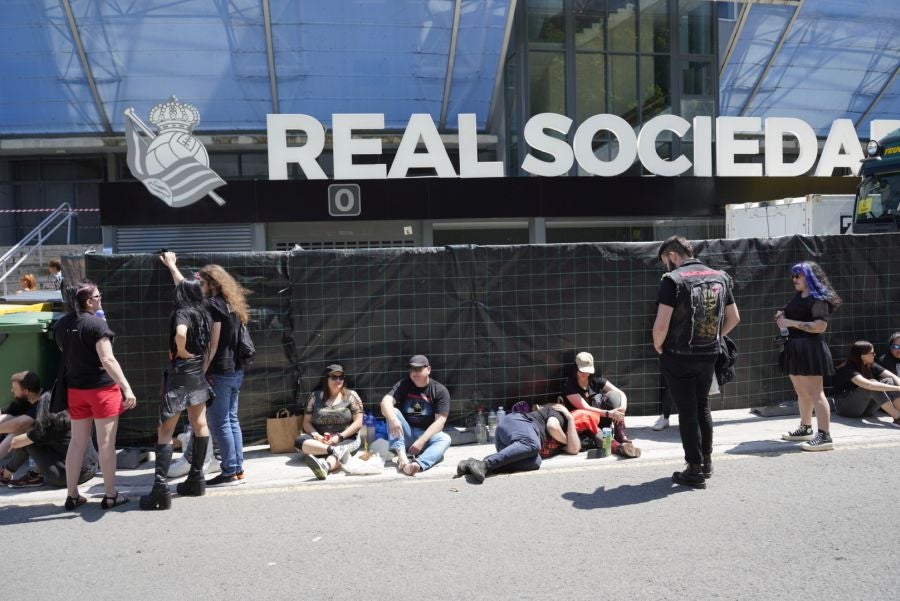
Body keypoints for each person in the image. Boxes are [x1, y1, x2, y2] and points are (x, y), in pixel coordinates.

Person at [652, 236, 740, 489]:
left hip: (677, 354)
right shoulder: (720, 276)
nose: (666, 267)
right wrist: (716, 337)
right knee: (703, 406)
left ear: (672, 256)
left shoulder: (672, 280)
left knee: (687, 411)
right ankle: (707, 462)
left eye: (664, 262)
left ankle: (694, 468)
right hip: (709, 352)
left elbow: (661, 323)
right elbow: (734, 317)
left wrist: (659, 345)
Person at [161, 252, 250, 487]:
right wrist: (172, 266)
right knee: (231, 420)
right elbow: (186, 289)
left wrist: (202, 370)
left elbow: (213, 344)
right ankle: (237, 468)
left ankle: (230, 471)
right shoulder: (230, 304)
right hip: (235, 370)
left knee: (220, 422)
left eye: (202, 282)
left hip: (220, 371)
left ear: (212, 283)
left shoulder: (214, 306)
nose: (198, 286)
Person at [54, 280, 137, 509]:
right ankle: (111, 495)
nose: (101, 299)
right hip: (101, 390)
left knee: (77, 443)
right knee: (106, 443)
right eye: (98, 296)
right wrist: (126, 387)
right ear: (89, 301)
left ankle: (72, 495)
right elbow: (107, 359)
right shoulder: (97, 325)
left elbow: (68, 351)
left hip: (76, 390)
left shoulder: (61, 324)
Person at [139, 279, 214, 510]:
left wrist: (180, 349)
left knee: (165, 430)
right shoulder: (204, 314)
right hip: (197, 375)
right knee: (200, 424)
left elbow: (180, 333)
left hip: (180, 374)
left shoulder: (181, 313)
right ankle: (196, 479)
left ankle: (160, 490)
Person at [776, 261, 841, 451]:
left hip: (810, 348)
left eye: (798, 276)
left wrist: (790, 321)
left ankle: (825, 436)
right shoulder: (800, 296)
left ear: (809, 277)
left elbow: (820, 326)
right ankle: (805, 428)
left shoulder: (817, 299)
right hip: (795, 348)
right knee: (802, 392)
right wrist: (783, 318)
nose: (794, 279)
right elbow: (795, 319)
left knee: (816, 393)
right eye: (793, 276)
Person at [2, 371, 98, 488]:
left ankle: (6, 475)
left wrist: (8, 467)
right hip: (92, 467)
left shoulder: (46, 430)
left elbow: (16, 442)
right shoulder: (72, 418)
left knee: (27, 442)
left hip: (68, 477)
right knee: (31, 440)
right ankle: (34, 474)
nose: (12, 391)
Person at [457, 403, 580, 483]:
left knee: (536, 462)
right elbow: (552, 426)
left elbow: (574, 449)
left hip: (510, 447)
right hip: (514, 423)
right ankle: (486, 464)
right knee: (533, 444)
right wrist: (569, 418)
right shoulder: (557, 413)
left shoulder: (566, 438)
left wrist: (568, 437)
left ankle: (473, 465)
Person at [380, 355, 451, 476]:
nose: (414, 373)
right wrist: (393, 419)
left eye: (418, 369)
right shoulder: (404, 384)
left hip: (426, 435)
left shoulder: (440, 390)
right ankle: (402, 458)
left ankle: (417, 464)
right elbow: (385, 402)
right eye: (412, 369)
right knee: (393, 411)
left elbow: (440, 421)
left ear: (428, 369)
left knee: (445, 439)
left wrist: (422, 441)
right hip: (406, 434)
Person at [559, 351, 640, 458]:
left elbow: (620, 393)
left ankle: (621, 433)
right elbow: (585, 408)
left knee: (614, 396)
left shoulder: (596, 379)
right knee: (602, 438)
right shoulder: (569, 385)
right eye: (582, 371)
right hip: (587, 425)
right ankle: (621, 449)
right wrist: (609, 414)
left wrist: (622, 408)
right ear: (576, 368)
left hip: (602, 419)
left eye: (588, 371)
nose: (585, 374)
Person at [296, 364, 364, 480]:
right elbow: (306, 423)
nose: (338, 380)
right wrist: (316, 435)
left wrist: (339, 437)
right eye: (334, 377)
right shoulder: (314, 397)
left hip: (345, 439)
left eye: (341, 377)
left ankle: (325, 467)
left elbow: (358, 422)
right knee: (299, 441)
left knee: (342, 451)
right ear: (326, 379)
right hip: (320, 442)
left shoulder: (351, 396)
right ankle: (332, 451)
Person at [830, 341, 900, 425]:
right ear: (863, 356)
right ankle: (898, 418)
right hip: (845, 408)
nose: (875, 355)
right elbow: (868, 385)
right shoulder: (848, 369)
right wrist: (898, 388)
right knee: (872, 384)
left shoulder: (870, 364)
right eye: (872, 353)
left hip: (866, 409)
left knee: (889, 380)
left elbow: (893, 376)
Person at [0, 372, 41, 484]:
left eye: (14, 389)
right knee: (9, 419)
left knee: (21, 428)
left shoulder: (43, 403)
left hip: (53, 459)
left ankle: (33, 473)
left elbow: (20, 424)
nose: (12, 391)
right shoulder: (24, 401)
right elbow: (4, 414)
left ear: (26, 392)